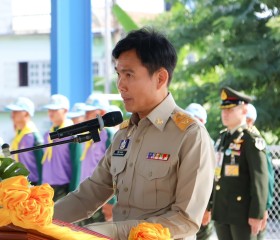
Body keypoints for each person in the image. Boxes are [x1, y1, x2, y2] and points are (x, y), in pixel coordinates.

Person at [54, 28, 215, 240]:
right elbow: (90, 194)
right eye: (119, 74)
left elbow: (185, 220)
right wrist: (39, 219)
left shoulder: (190, 135)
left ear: (160, 78)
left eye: (129, 74)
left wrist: (111, 231)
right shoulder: (124, 133)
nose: (120, 85)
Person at [206, 86, 269, 240]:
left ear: (244, 110)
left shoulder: (251, 139)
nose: (225, 113)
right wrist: (208, 206)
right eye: (223, 109)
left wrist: (257, 213)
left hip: (242, 214)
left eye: (230, 109)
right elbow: (215, 175)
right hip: (221, 211)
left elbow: (260, 179)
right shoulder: (222, 139)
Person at [77, 93, 117, 225]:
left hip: (101, 198)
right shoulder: (91, 134)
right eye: (86, 112)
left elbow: (114, 169)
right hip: (86, 194)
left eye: (90, 112)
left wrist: (111, 202)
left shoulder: (108, 134)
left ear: (103, 113)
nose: (86, 115)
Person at [42, 94, 82, 201]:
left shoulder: (72, 134)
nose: (51, 112)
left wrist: (73, 193)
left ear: (65, 110)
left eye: (55, 109)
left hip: (63, 187)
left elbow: (76, 164)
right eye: (50, 109)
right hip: (46, 188)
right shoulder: (47, 135)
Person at [246, 103, 275, 240]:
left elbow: (266, 178)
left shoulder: (257, 142)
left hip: (257, 206)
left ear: (250, 121)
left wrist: (264, 207)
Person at [185, 103, 214, 240]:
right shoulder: (181, 141)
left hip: (200, 208)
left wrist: (207, 209)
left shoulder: (208, 144)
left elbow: (211, 181)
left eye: (194, 119)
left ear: (202, 122)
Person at [5, 97, 44, 185]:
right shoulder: (18, 135)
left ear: (26, 113)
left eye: (16, 111)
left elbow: (41, 165)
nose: (12, 114)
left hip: (33, 184)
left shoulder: (33, 136)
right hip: (19, 183)